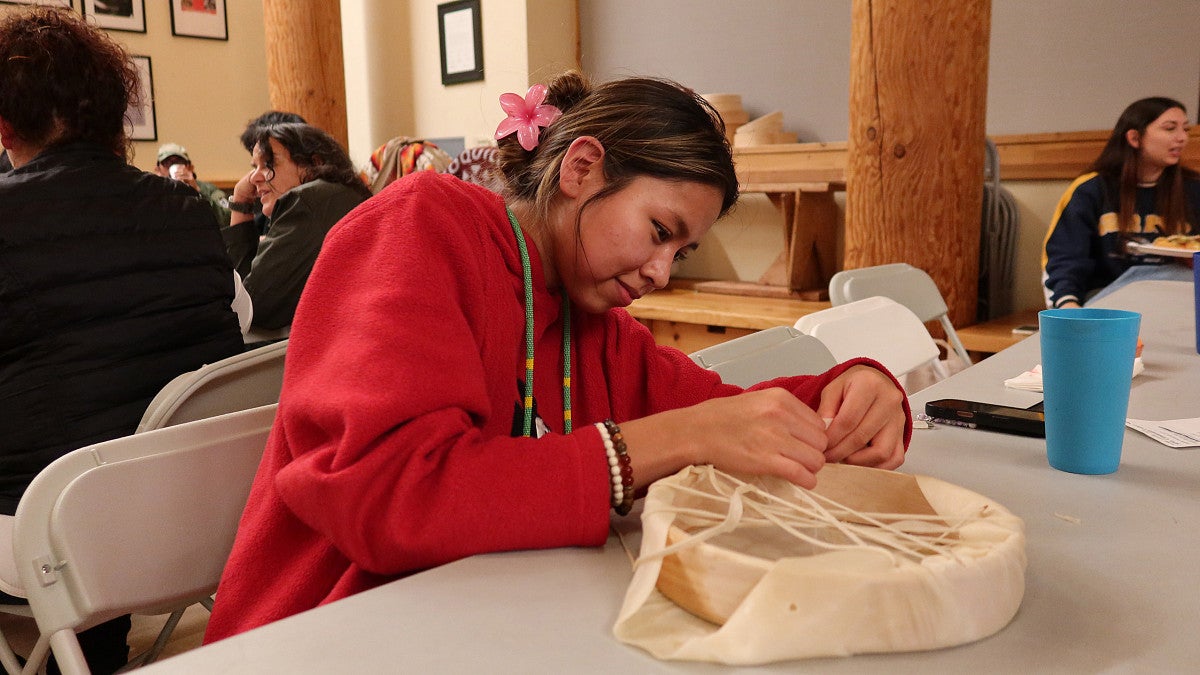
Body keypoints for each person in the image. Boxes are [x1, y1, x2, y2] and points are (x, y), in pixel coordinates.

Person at [204, 71, 911, 643]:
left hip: (478, 630)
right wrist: (667, 441)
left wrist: (850, 388)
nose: (662, 272)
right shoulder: (420, 228)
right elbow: (392, 495)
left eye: (681, 252)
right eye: (659, 230)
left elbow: (722, 411)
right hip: (318, 634)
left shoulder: (592, 321)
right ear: (581, 167)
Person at [0, 7, 243, 673]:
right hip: (199, 515)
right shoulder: (192, 211)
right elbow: (234, 341)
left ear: (4, 126)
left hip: (53, 533)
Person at [1042, 96, 1200, 308]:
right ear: (1134, 138)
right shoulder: (1091, 189)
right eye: (1170, 128)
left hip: (1178, 295)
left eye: (1185, 130)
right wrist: (1068, 305)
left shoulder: (1193, 188)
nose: (1182, 138)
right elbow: (1065, 257)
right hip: (1109, 296)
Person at [223, 123, 372, 333]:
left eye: (268, 164)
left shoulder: (305, 201)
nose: (253, 178)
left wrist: (239, 204)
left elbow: (251, 306)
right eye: (254, 167)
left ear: (313, 164)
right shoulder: (343, 195)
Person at [155, 142, 231, 226]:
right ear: (158, 170)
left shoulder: (208, 189)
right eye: (167, 163)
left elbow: (227, 219)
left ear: (190, 167)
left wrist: (198, 192)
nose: (172, 166)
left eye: (179, 161)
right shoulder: (152, 193)